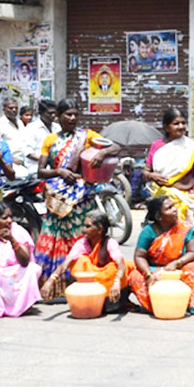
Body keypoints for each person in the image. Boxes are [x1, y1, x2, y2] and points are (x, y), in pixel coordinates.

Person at [34, 98, 120, 284]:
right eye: (68, 114)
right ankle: (55, 283)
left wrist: (101, 153)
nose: (72, 118)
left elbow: (115, 146)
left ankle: (82, 279)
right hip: (58, 199)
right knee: (55, 239)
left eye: (75, 114)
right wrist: (59, 171)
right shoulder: (50, 140)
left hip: (82, 198)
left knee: (80, 239)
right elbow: (41, 171)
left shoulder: (87, 136)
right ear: (58, 116)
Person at [128, 196, 194, 314]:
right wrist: (148, 274)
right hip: (155, 269)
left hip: (178, 267)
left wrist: (176, 263)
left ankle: (189, 305)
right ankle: (156, 306)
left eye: (174, 206)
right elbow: (140, 256)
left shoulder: (185, 228)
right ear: (159, 217)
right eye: (169, 208)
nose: (175, 209)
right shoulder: (148, 231)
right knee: (135, 276)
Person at [40, 211, 131, 311]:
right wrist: (50, 281)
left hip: (110, 284)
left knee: (114, 268)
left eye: (88, 226)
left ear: (99, 230)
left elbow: (121, 265)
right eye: (84, 226)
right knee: (79, 263)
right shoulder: (82, 243)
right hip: (92, 284)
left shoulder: (110, 243)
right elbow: (66, 264)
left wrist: (117, 282)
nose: (83, 230)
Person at [143, 107, 194, 223]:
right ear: (166, 127)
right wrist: (153, 176)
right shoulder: (157, 146)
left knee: (189, 236)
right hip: (164, 201)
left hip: (188, 200)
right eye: (176, 124)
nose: (181, 127)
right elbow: (146, 172)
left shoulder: (191, 147)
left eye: (183, 123)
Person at [21, 100, 60, 175]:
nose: (53, 116)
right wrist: (45, 161)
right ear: (40, 113)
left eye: (54, 113)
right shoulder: (31, 128)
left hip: (56, 167)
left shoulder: (57, 127)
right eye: (49, 113)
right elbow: (28, 152)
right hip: (36, 168)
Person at [0, 98, 26, 171]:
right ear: (4, 109)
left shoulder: (20, 122)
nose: (14, 110)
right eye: (11, 108)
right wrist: (12, 159)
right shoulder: (0, 124)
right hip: (11, 161)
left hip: (24, 160)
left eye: (16, 108)